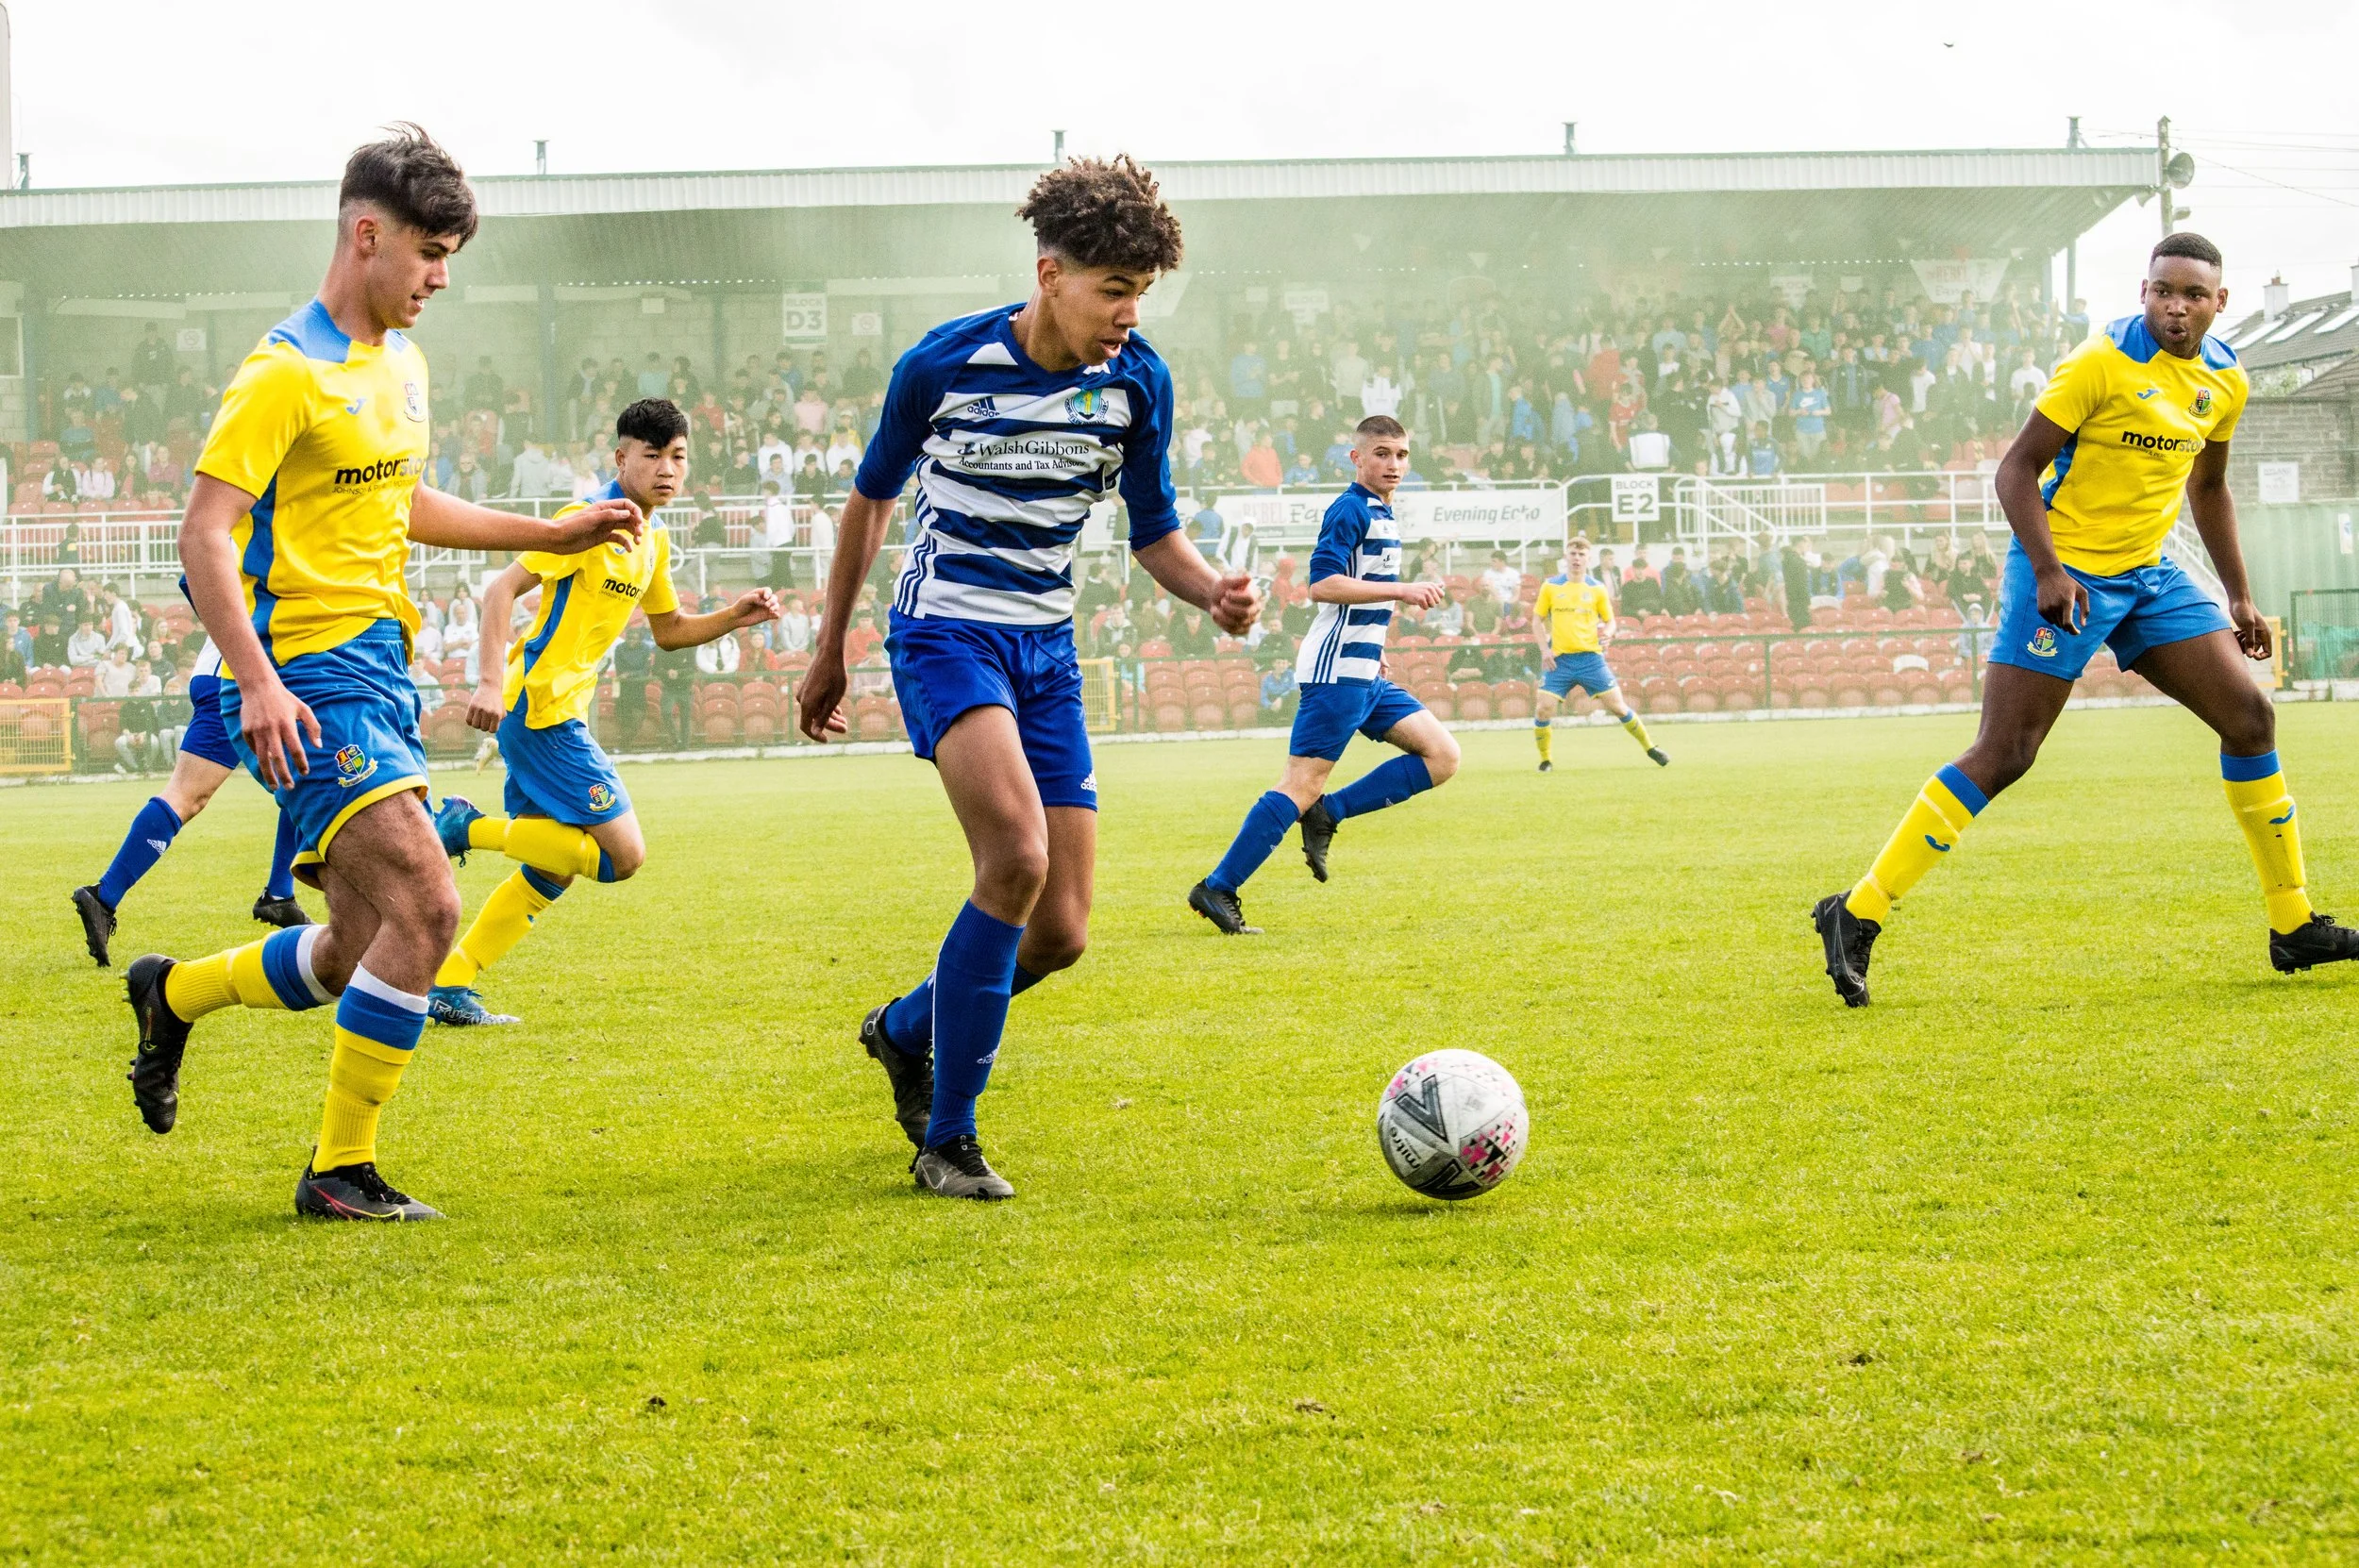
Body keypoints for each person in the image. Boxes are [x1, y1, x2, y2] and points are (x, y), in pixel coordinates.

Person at [118, 126, 644, 1221]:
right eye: (429, 253)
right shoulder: (283, 374)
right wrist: (254, 681)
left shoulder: (402, 367)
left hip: (380, 667)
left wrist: (547, 537)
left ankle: (170, 994)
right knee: (427, 902)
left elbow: (402, 505)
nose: (441, 278)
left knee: (363, 942)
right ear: (368, 235)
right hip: (304, 674)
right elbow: (205, 534)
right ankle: (339, 1172)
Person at [795, 156, 1259, 1200]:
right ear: (1049, 273)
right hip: (945, 633)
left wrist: (1212, 595)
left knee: (1060, 932)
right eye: (1112, 291)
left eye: (1142, 293)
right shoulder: (941, 364)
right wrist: (831, 646)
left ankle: (904, 1032)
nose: (1129, 314)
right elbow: (869, 503)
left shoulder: (1138, 382)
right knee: (1013, 860)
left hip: (1046, 654)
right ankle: (946, 1142)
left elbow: (1157, 538)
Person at [1815, 233, 2359, 1008]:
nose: (2177, 306)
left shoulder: (2225, 378)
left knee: (2251, 717)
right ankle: (1856, 912)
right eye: (2163, 291)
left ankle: (2292, 921)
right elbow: (2014, 470)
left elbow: (2209, 488)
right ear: (2144, 292)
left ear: (2219, 302)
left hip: (2150, 574)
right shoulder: (2100, 363)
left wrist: (2238, 595)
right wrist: (2046, 569)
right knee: (2007, 751)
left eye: (2194, 295)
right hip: (2066, 572)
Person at [427, 399, 785, 1026]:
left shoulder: (655, 538)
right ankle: (464, 826)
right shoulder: (584, 521)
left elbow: (670, 629)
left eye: (677, 457)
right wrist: (486, 682)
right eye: (651, 456)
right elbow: (499, 590)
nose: (666, 469)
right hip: (540, 708)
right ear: (620, 458)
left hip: (561, 708)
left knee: (552, 869)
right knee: (622, 856)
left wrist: (735, 615)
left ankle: (449, 984)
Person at [1190, 414, 1457, 933]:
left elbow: (1356, 595)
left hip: (1364, 671)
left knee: (1442, 756)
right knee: (1298, 784)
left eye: (1401, 455)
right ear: (1356, 458)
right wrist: (1402, 591)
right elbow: (1322, 584)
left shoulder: (1382, 512)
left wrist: (1376, 645)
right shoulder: (1350, 509)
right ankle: (1218, 887)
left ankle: (1328, 811)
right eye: (1381, 453)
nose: (1393, 464)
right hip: (1336, 673)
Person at [70, 635, 314, 965]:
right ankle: (105, 895)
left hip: (248, 672)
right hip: (241, 675)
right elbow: (198, 584)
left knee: (303, 779)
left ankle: (280, 895)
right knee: (189, 795)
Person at [1530, 534, 1668, 772]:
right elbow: (1536, 620)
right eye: (1572, 553)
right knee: (1543, 707)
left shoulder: (1597, 589)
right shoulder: (1551, 586)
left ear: (1588, 558)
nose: (1576, 558)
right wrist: (1544, 650)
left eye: (1581, 554)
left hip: (1590, 659)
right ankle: (1545, 760)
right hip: (1560, 660)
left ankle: (1651, 748)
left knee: (1618, 707)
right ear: (1566, 556)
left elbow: (1611, 621)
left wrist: (1609, 632)